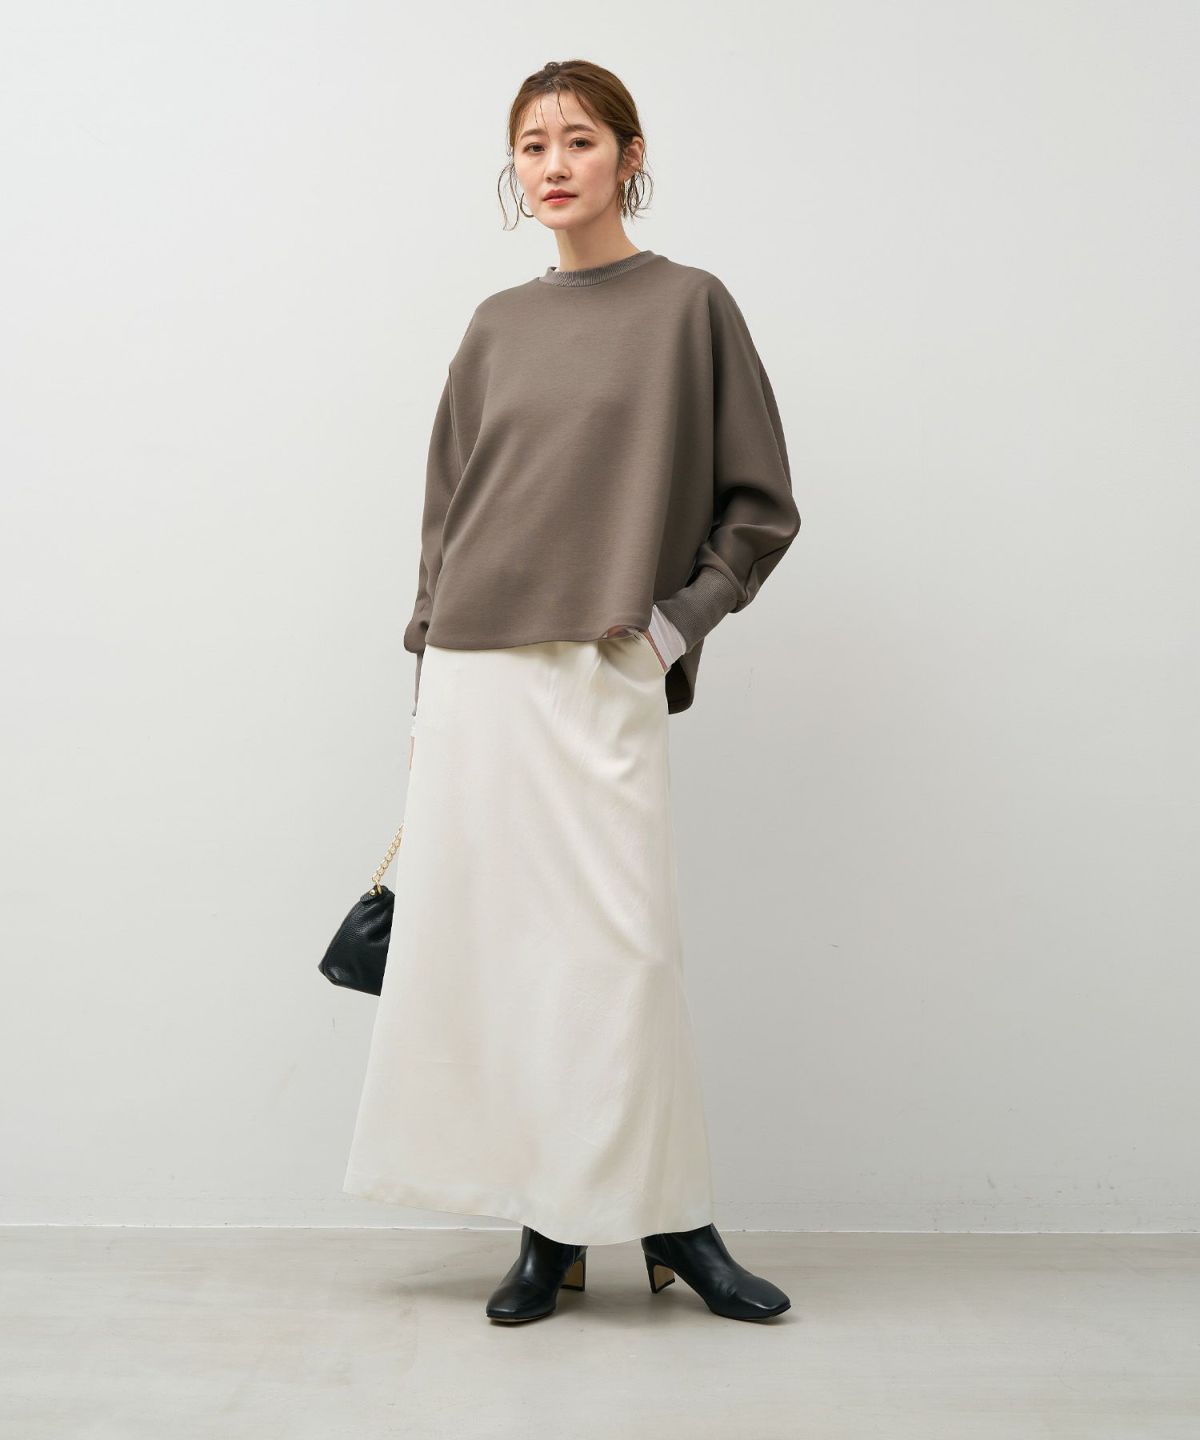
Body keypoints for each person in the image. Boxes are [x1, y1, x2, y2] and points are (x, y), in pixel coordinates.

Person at [343, 58, 801, 1325]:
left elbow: (761, 506)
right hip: (477, 670)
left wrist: (672, 630)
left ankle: (675, 1221)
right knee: (509, 957)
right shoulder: (496, 324)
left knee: (621, 953)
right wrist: (429, 676)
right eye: (532, 145)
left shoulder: (691, 307)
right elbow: (447, 514)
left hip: (604, 663)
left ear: (629, 157)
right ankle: (547, 1231)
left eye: (580, 140)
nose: (553, 164)